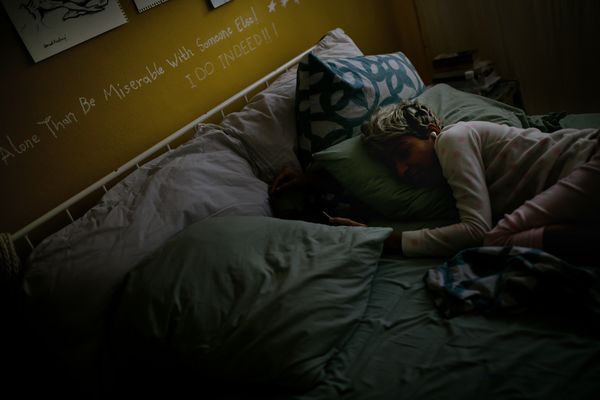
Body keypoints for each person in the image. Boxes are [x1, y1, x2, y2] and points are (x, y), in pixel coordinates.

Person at [270, 101, 600, 263]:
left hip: (589, 158)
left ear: (431, 133)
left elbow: (475, 230)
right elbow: (369, 189)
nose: (402, 171)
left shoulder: (452, 140)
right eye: (392, 166)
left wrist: (381, 240)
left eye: (403, 153)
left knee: (497, 240)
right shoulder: (446, 172)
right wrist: (313, 181)